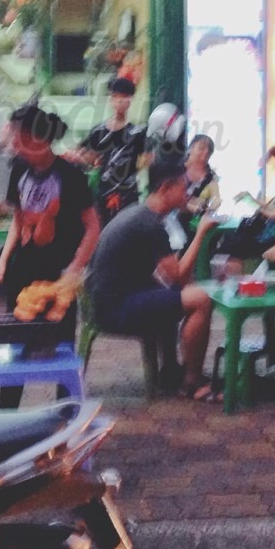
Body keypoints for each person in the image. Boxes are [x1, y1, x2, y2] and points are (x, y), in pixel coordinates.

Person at [0, 101, 101, 408]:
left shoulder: (71, 176)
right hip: (22, 272)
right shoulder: (19, 170)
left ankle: (66, 416)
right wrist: (2, 261)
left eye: (17, 136)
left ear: (37, 138)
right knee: (15, 348)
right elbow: (18, 220)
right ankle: (7, 417)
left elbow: (93, 227)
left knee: (61, 350)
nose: (13, 143)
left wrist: (74, 269)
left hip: (58, 275)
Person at [86, 160, 217, 400]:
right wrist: (201, 233)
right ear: (166, 188)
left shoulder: (139, 213)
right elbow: (178, 275)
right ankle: (192, 381)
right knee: (200, 300)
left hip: (105, 301)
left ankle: (171, 370)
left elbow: (172, 279)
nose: (188, 195)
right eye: (183, 188)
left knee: (178, 292)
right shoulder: (150, 224)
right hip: (114, 309)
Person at [72, 77, 149, 225]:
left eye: (124, 97)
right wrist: (78, 157)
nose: (120, 101)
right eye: (116, 96)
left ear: (130, 100)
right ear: (111, 99)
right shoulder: (99, 131)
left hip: (128, 195)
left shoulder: (137, 133)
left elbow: (146, 161)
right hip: (103, 194)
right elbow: (87, 156)